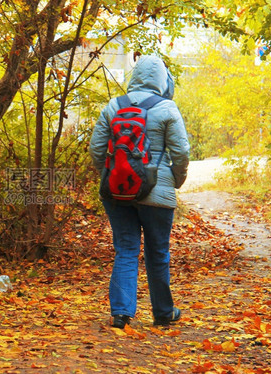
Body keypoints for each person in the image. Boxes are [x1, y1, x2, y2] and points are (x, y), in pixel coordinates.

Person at [89, 55, 190, 328]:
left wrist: (112, 174)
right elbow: (181, 153)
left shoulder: (114, 106)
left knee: (125, 249)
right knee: (157, 253)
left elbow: (96, 149)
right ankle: (163, 313)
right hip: (158, 192)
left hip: (117, 192)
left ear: (134, 77)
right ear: (162, 80)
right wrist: (175, 181)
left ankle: (121, 313)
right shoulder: (167, 108)